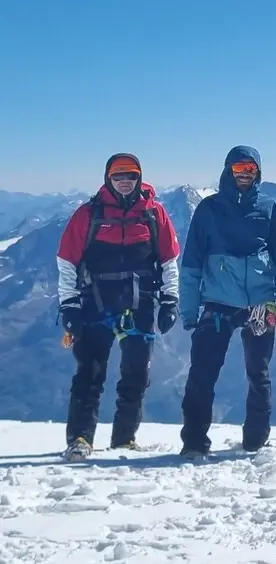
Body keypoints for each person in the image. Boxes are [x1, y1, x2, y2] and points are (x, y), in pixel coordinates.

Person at [55, 153, 181, 459]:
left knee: (136, 373)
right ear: (107, 179)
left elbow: (168, 260)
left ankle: (124, 439)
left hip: (141, 305)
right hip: (95, 305)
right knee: (90, 372)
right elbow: (67, 262)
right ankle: (80, 439)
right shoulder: (88, 214)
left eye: (131, 176)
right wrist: (69, 306)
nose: (125, 181)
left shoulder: (154, 213)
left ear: (140, 178)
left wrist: (170, 299)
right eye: (119, 176)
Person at [178, 146, 276, 459]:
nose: (245, 174)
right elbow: (191, 261)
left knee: (259, 374)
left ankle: (255, 441)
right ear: (228, 170)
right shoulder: (209, 209)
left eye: (250, 169)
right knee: (202, 374)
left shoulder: (271, 208)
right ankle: (193, 441)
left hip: (260, 305)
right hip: (217, 304)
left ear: (258, 172)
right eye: (239, 168)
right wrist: (189, 310)